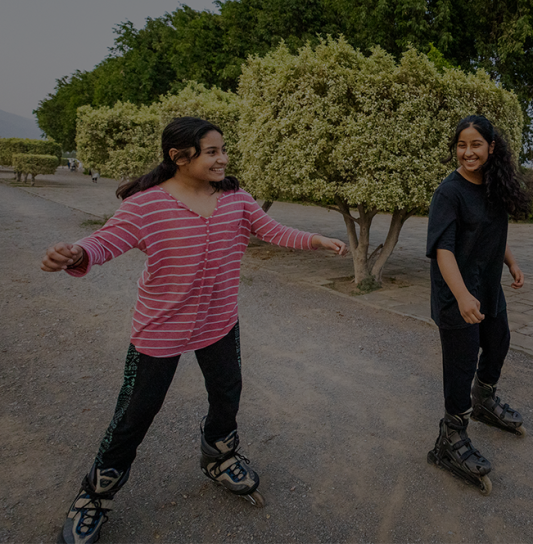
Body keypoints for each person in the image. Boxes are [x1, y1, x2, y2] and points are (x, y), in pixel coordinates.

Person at [41, 117, 347, 544]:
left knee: (227, 394)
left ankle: (219, 456)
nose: (223, 159)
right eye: (212, 152)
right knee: (135, 413)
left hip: (219, 323)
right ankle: (96, 495)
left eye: (223, 150)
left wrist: (315, 240)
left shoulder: (235, 198)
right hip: (160, 329)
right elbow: (106, 241)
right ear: (179, 157)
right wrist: (76, 253)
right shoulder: (146, 204)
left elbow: (271, 230)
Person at [425, 115, 530, 495]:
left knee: (499, 342)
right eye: (461, 145)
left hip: (487, 287)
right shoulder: (449, 193)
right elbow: (443, 250)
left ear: (491, 147)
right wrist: (462, 296)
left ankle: (483, 400)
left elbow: (494, 231)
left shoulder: (492, 185)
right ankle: (450, 437)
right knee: (461, 363)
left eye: (476, 144)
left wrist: (511, 262)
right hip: (458, 297)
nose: (468, 152)